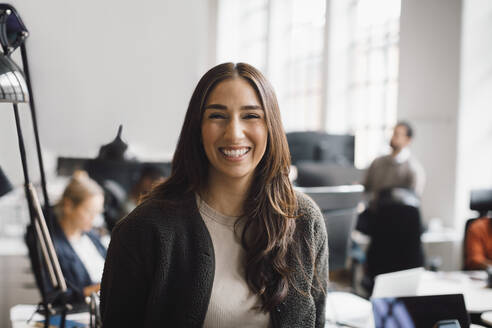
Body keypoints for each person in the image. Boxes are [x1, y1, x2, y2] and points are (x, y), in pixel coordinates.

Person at [100, 63, 328, 327]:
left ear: (271, 127)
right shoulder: (143, 229)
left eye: (251, 116)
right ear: (197, 128)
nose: (233, 132)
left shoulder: (304, 219)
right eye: (217, 116)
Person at [51, 170, 106, 303]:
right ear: (69, 206)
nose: (94, 219)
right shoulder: (53, 246)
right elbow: (57, 297)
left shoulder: (91, 236)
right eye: (89, 212)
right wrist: (103, 288)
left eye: (97, 213)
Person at [363, 121, 425, 207]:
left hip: (398, 216)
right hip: (375, 213)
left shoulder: (413, 169)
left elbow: (414, 199)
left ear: (408, 140)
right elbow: (367, 186)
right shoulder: (377, 162)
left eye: (397, 134)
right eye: (392, 133)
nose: (392, 137)